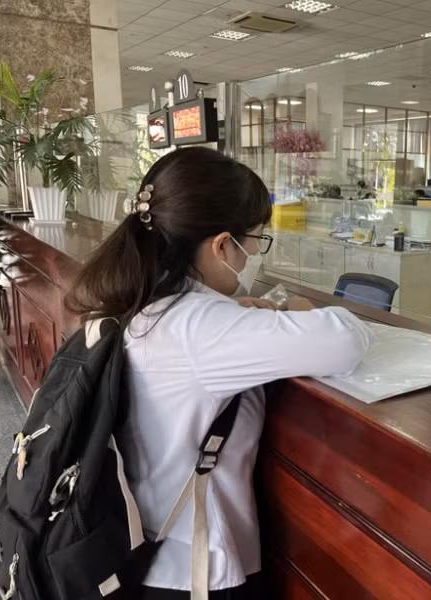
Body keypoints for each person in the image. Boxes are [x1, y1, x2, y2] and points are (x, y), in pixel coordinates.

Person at [65, 147, 374, 599]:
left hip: (140, 553)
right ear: (221, 244)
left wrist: (226, 310)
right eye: (254, 240)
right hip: (193, 571)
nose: (253, 255)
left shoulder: (141, 303)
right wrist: (304, 310)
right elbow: (346, 339)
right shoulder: (200, 326)